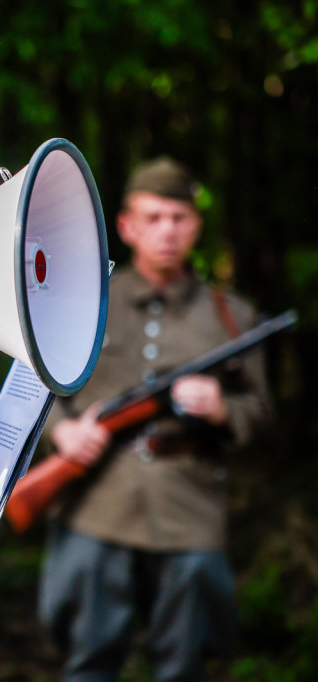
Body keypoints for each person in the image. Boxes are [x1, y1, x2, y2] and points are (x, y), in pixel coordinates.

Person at [37, 157, 271, 681]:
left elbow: (260, 412)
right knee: (88, 663)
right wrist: (63, 431)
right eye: (154, 217)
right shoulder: (84, 300)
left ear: (196, 226)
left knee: (185, 667)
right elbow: (40, 388)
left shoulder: (232, 315)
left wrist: (223, 408)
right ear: (126, 226)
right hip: (96, 506)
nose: (167, 231)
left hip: (189, 511)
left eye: (179, 218)